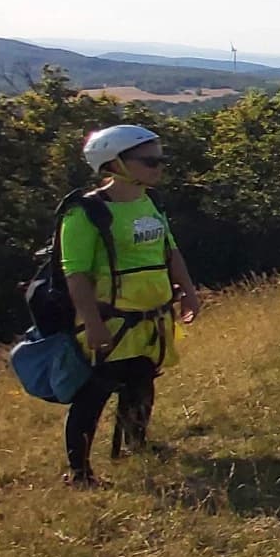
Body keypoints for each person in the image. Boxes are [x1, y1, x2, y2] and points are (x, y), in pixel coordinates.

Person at [60, 125, 202, 487]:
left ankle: (136, 445)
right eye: (150, 161)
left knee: (141, 381)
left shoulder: (151, 202)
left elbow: (170, 251)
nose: (159, 167)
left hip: (151, 317)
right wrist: (92, 323)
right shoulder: (85, 213)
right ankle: (80, 473)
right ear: (114, 164)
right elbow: (75, 274)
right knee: (94, 393)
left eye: (161, 159)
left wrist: (188, 291)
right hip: (110, 320)